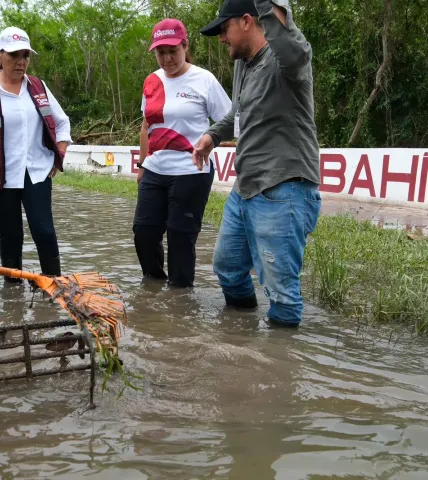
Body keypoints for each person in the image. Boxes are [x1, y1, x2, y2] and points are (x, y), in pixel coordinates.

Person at [193, 0, 322, 326]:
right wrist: (212, 136)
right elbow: (238, 112)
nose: (221, 38)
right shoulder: (243, 64)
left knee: (281, 290)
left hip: (284, 188)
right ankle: (243, 344)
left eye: (224, 29)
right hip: (245, 188)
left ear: (247, 21)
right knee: (228, 268)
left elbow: (290, 41)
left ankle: (279, 366)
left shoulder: (286, 61)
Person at [0, 27, 72, 283]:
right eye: (14, 55)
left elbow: (63, 123)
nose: (21, 62)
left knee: (44, 231)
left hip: (36, 172)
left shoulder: (38, 87)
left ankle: (54, 286)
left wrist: (60, 154)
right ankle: (12, 296)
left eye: (25, 55)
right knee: (10, 236)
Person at [134, 19, 232, 288]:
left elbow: (230, 120)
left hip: (191, 171)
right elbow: (146, 125)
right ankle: (153, 290)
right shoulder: (151, 81)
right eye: (160, 52)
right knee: (143, 232)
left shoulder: (204, 80)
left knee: (180, 236)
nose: (167, 58)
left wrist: (210, 140)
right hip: (155, 168)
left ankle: (180, 298)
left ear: (185, 46)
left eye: (173, 51)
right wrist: (142, 165)